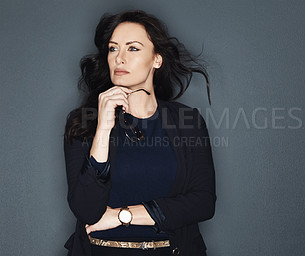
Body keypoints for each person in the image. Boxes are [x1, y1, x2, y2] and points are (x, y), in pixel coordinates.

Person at [63, 10, 216, 256]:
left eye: (132, 48)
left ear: (157, 59)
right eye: (113, 49)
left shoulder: (187, 121)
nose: (119, 58)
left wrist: (122, 216)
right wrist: (103, 127)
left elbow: (203, 203)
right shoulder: (83, 121)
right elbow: (86, 210)